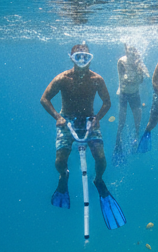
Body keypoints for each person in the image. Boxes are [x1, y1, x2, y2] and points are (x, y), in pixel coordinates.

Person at [40, 43, 125, 228]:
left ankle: (98, 179)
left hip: (89, 120)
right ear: (71, 58)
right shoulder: (62, 78)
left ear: (90, 58)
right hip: (67, 120)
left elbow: (107, 102)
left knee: (101, 159)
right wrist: (58, 117)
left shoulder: (96, 79)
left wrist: (97, 118)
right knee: (60, 161)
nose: (82, 61)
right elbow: (44, 99)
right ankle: (64, 176)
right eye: (78, 57)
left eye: (85, 57)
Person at [113, 43, 148, 160]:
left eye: (133, 50)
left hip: (134, 94)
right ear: (126, 50)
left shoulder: (139, 62)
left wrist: (139, 68)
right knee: (121, 121)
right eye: (129, 50)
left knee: (137, 120)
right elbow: (124, 79)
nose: (131, 52)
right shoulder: (121, 61)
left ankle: (136, 139)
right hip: (123, 94)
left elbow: (144, 78)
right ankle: (118, 141)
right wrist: (134, 73)